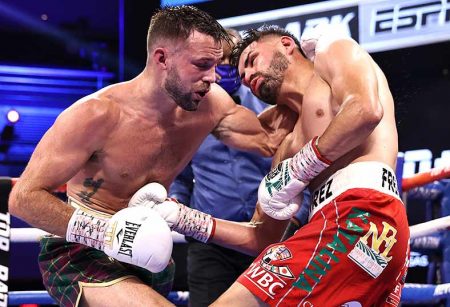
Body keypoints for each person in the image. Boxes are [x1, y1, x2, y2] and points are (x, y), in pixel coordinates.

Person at [7, 7, 296, 306]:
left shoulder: (211, 107)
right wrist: (108, 234)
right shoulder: (96, 114)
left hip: (151, 257)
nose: (213, 77)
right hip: (82, 251)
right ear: (162, 59)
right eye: (202, 64)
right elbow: (23, 199)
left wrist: (307, 76)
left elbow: (270, 140)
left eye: (215, 65)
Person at [150, 24, 410, 306]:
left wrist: (301, 167)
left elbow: (365, 111)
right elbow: (260, 236)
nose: (248, 76)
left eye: (251, 61)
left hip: (363, 213)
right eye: (243, 76)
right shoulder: (288, 144)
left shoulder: (331, 52)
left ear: (286, 45)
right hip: (351, 227)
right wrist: (183, 218)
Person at [169, 28, 271, 306]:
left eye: (230, 59)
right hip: (211, 241)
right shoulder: (186, 115)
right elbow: (180, 174)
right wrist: (177, 205)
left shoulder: (271, 106)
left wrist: (297, 216)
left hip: (270, 234)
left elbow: (297, 163)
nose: (224, 66)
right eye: (217, 60)